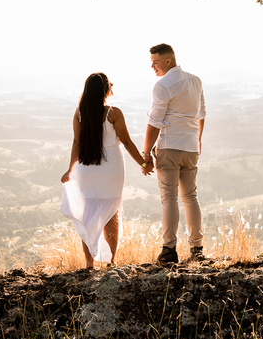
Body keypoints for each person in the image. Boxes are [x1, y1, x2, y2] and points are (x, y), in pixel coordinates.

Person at [60, 72, 151, 267]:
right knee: (112, 214)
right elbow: (126, 142)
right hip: (111, 170)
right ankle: (111, 262)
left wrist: (70, 169)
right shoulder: (113, 113)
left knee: (87, 216)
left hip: (86, 169)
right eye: (109, 83)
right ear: (103, 90)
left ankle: (89, 264)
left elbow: (76, 142)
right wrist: (143, 164)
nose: (112, 85)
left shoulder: (79, 113)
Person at [142, 42, 205, 264]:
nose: (152, 67)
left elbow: (155, 121)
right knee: (191, 197)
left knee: (169, 197)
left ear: (168, 61)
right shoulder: (195, 81)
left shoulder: (163, 85)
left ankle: (169, 250)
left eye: (155, 62)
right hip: (190, 147)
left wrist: (146, 152)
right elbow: (201, 115)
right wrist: (197, 141)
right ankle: (197, 248)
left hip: (169, 146)